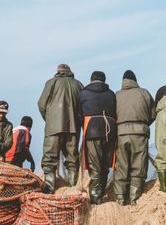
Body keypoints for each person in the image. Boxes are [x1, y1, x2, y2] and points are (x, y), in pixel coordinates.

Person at [38, 64, 84, 193]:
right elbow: (84, 106)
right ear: (70, 72)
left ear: (57, 72)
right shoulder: (78, 85)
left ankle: (49, 189)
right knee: (72, 159)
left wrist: (50, 119)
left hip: (53, 128)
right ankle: (72, 189)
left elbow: (41, 104)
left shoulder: (51, 83)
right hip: (73, 128)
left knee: (49, 158)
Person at [113, 70, 156, 205]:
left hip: (121, 134)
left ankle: (120, 199)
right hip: (140, 133)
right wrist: (142, 125)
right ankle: (134, 198)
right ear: (135, 80)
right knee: (138, 166)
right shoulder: (144, 93)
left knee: (121, 166)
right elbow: (153, 114)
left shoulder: (116, 95)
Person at [77, 71, 117, 204]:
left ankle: (95, 198)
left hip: (92, 129)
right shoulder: (111, 94)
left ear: (91, 79)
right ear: (104, 80)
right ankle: (101, 191)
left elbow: (78, 115)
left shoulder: (83, 93)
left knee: (94, 165)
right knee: (105, 164)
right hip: (109, 130)